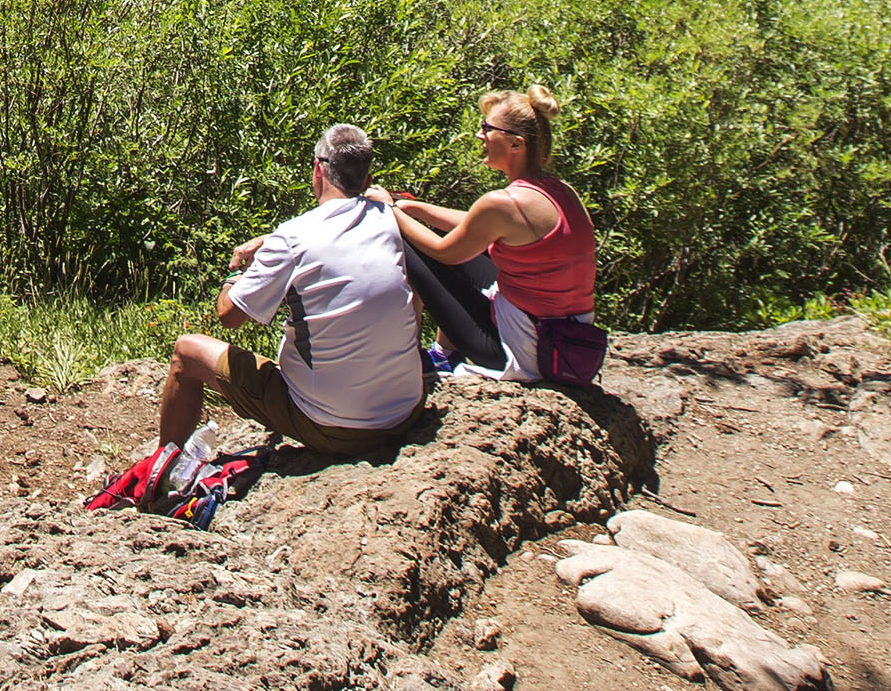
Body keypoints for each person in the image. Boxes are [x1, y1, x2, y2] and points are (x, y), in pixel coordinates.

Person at [154, 121, 425, 459]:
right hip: (406, 410)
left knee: (187, 352)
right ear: (367, 181)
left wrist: (236, 275)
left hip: (334, 426)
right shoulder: (387, 217)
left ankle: (160, 471)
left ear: (318, 170)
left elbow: (229, 316)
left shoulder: (293, 237)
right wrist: (270, 244)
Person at [383, 86, 596, 380]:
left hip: (526, 352)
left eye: (487, 128)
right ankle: (443, 354)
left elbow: (445, 250)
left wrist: (390, 210)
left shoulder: (504, 204)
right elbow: (475, 225)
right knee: (445, 242)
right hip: (567, 342)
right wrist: (414, 208)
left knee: (410, 242)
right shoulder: (562, 192)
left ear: (516, 144)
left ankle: (404, 365)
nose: (480, 135)